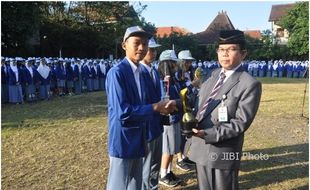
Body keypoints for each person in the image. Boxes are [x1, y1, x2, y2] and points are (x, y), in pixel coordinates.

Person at [189, 30, 262, 190]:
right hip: (200, 147)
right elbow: (199, 103)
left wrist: (208, 134)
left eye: (231, 49)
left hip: (222, 151)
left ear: (243, 54)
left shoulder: (249, 84)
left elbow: (240, 123)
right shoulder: (213, 75)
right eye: (221, 50)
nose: (225, 54)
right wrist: (177, 104)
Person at [105, 26, 176, 190]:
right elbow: (123, 112)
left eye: (145, 44)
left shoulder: (143, 73)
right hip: (123, 140)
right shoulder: (117, 73)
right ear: (124, 45)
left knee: (135, 184)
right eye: (137, 43)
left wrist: (168, 107)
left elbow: (151, 103)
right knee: (119, 185)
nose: (142, 48)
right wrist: (155, 108)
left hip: (141, 137)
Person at [157, 50, 183, 188]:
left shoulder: (173, 80)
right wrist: (180, 100)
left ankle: (169, 170)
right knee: (167, 148)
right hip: (169, 119)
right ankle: (163, 174)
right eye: (173, 63)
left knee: (173, 148)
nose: (176, 66)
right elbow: (165, 101)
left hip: (176, 116)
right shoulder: (163, 81)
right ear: (167, 64)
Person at [140, 37, 163, 190]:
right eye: (151, 49)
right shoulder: (139, 72)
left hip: (157, 124)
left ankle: (153, 187)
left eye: (155, 49)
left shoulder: (153, 70)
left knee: (156, 162)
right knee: (146, 165)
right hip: (146, 125)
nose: (153, 53)